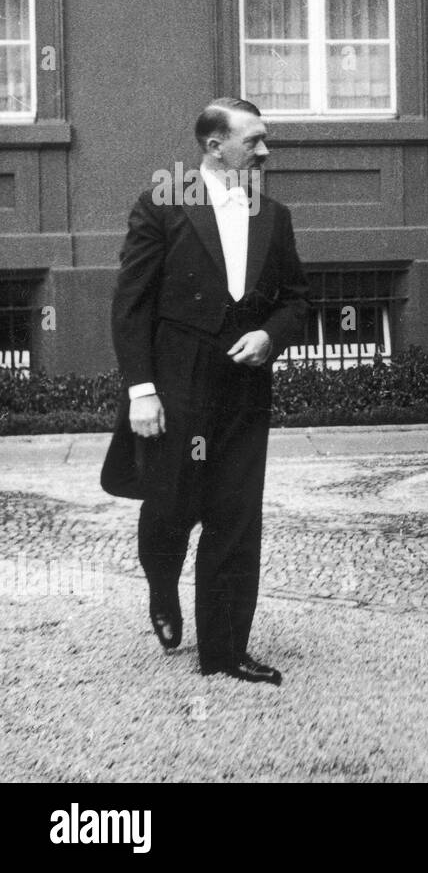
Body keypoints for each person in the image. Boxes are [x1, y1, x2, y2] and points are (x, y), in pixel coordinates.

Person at [101, 97, 309, 685]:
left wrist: (271, 334)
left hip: (243, 386)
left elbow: (297, 299)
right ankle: (162, 585)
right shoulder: (163, 205)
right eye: (255, 140)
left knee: (236, 516)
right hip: (177, 381)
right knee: (170, 508)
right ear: (215, 146)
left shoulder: (275, 215)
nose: (265, 151)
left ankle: (223, 652)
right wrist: (142, 390)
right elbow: (131, 303)